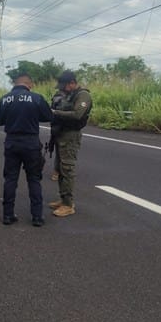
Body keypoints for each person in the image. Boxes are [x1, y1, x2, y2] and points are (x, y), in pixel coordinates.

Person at [0, 73, 53, 226]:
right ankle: (37, 217)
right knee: (34, 179)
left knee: (10, 179)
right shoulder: (36, 98)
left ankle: (7, 215)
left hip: (12, 142)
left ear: (15, 84)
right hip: (31, 143)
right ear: (29, 84)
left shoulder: (4, 99)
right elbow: (48, 116)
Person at [48, 70, 92, 218]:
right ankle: (63, 199)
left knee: (67, 169)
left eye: (64, 86)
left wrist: (55, 113)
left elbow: (77, 114)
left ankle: (68, 205)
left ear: (72, 83)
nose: (61, 89)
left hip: (71, 135)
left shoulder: (83, 95)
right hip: (61, 133)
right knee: (61, 168)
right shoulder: (68, 94)